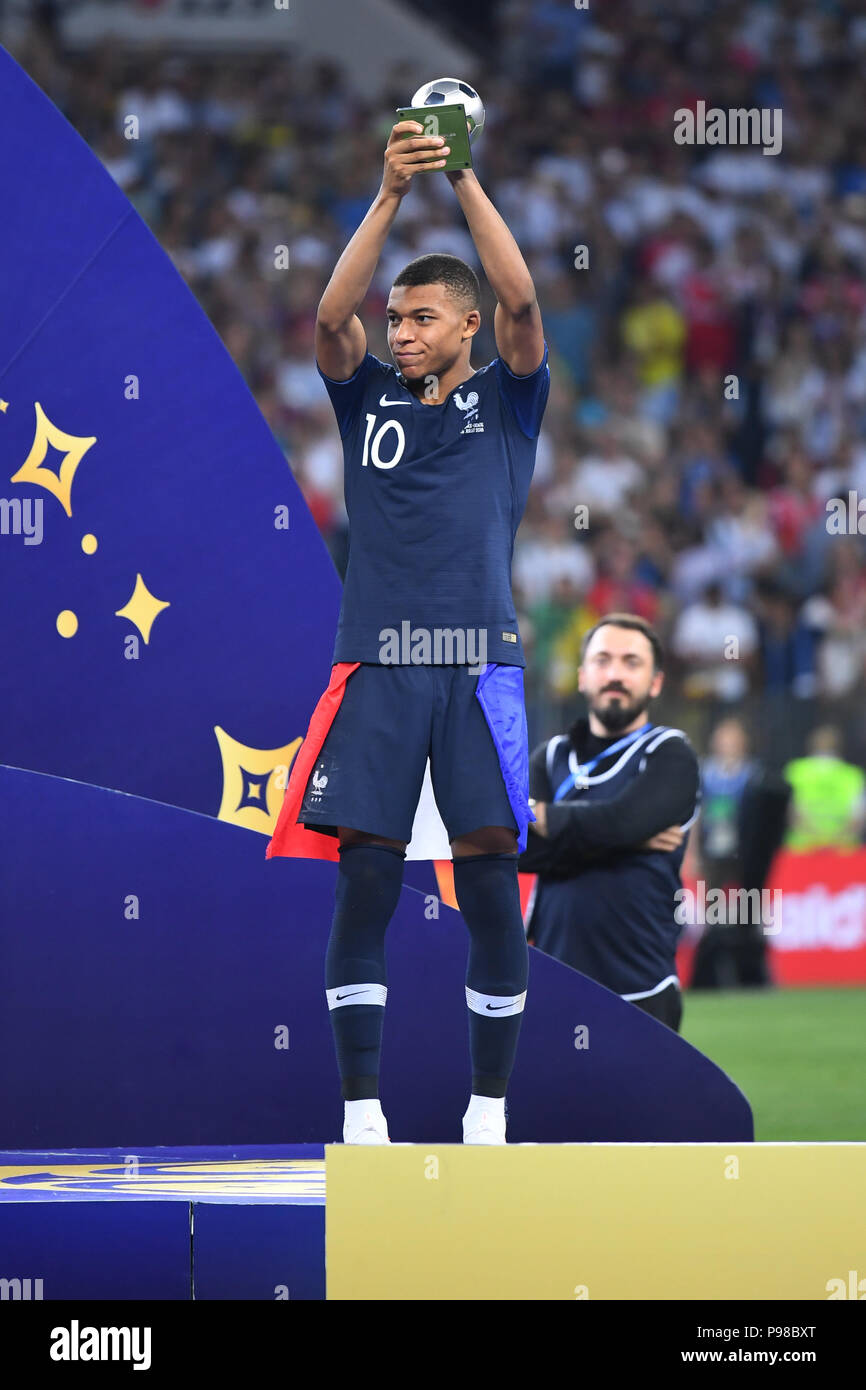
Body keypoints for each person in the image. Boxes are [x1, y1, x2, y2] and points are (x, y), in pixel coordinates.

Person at [268, 119, 550, 1145]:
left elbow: (521, 297)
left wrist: (463, 175)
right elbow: (329, 318)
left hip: (478, 668)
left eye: (422, 319)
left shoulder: (509, 405)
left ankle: (486, 1112)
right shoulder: (366, 402)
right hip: (379, 666)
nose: (400, 334)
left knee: (486, 885)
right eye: (399, 321)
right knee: (367, 883)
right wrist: (385, 194)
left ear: (465, 328)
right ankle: (361, 1118)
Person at [518, 615, 699, 1031]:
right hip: (552, 980)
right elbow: (519, 849)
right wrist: (627, 837)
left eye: (631, 662)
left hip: (642, 989)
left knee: (643, 1098)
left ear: (655, 682)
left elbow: (620, 823)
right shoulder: (550, 757)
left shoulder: (670, 752)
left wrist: (542, 815)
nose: (615, 673)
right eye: (603, 660)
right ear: (582, 677)